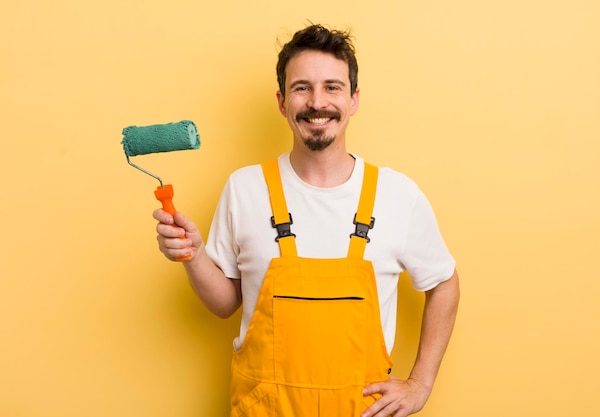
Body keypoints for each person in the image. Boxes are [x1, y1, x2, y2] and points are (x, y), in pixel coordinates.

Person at [154, 23, 460, 417]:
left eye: (332, 87)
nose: (318, 102)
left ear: (353, 100)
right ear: (282, 101)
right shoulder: (245, 188)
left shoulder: (397, 195)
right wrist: (193, 255)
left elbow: (445, 283)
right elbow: (225, 303)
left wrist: (420, 383)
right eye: (302, 88)